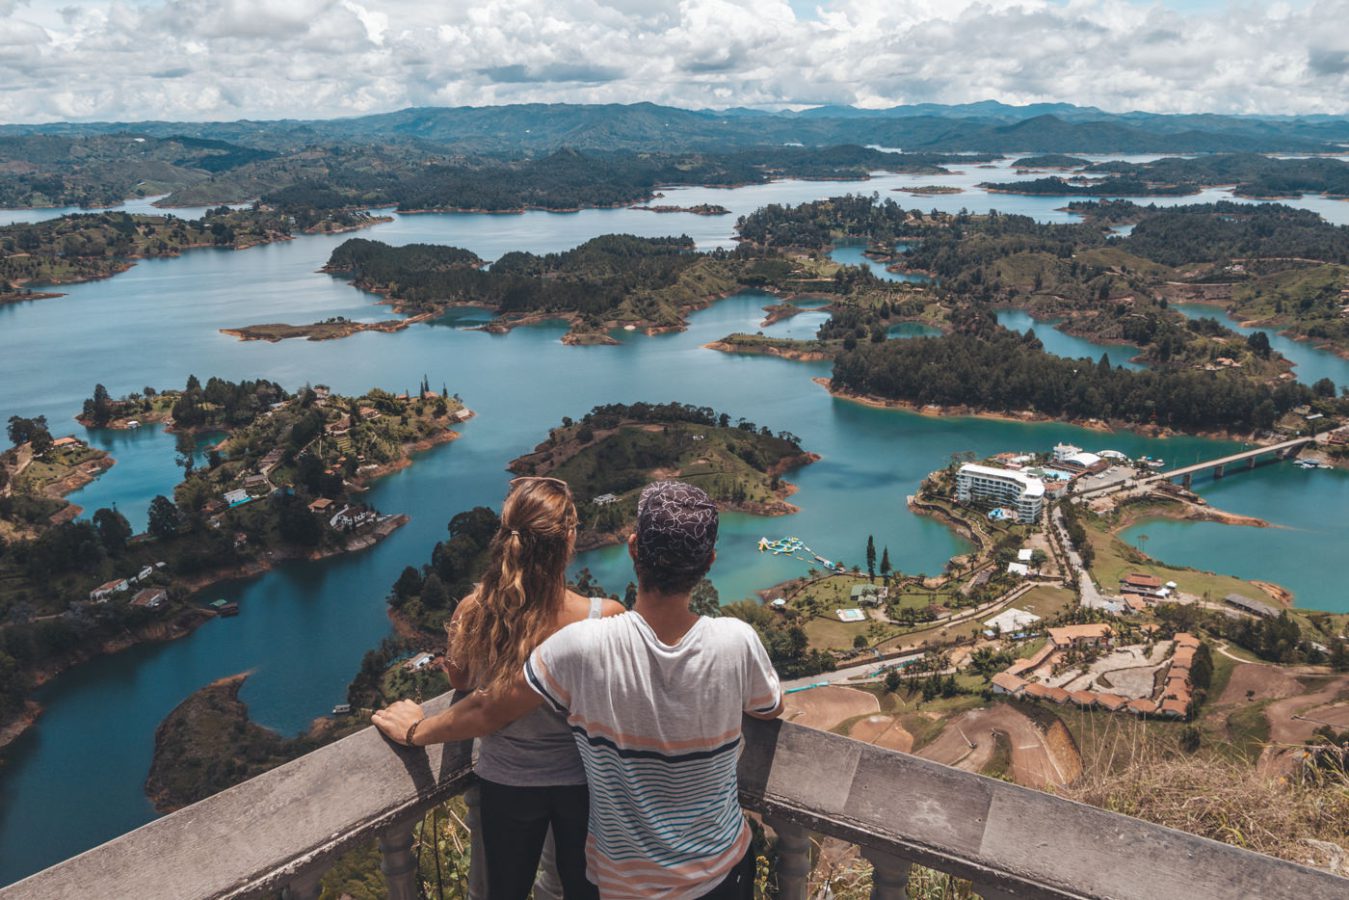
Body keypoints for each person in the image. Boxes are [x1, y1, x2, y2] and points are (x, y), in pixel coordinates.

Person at [374, 481, 784, 899]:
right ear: (710, 561)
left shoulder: (584, 645)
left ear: (633, 547)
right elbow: (770, 708)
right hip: (722, 872)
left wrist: (415, 731)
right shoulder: (738, 639)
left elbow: (487, 708)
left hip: (621, 881)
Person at [442, 476, 625, 899]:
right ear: (569, 540)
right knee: (587, 891)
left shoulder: (474, 611)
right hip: (584, 783)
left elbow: (460, 679)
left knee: (504, 890)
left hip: (507, 780)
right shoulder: (605, 617)